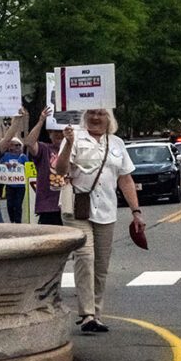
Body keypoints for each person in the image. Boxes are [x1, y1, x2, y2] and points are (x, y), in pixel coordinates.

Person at [56, 107, 144, 334]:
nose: (96, 118)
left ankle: (96, 313)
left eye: (101, 113)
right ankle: (86, 315)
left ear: (109, 118)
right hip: (78, 209)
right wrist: (67, 143)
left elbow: (125, 178)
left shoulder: (116, 143)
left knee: (101, 265)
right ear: (85, 117)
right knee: (85, 257)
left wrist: (136, 211)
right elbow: (60, 168)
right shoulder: (74, 137)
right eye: (92, 113)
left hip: (106, 210)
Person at [24, 107, 67, 225]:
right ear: (50, 134)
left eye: (62, 131)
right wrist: (41, 120)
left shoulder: (74, 149)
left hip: (70, 204)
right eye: (55, 131)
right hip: (49, 207)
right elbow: (29, 143)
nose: (60, 134)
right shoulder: (44, 149)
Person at [0, 136, 28, 223]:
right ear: (10, 146)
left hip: (20, 185)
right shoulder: (6, 156)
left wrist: (20, 166)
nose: (17, 147)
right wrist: (4, 164)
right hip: (9, 184)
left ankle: (18, 222)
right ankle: (11, 220)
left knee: (18, 205)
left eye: (19, 145)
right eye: (15, 145)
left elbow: (29, 167)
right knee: (10, 204)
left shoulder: (23, 157)